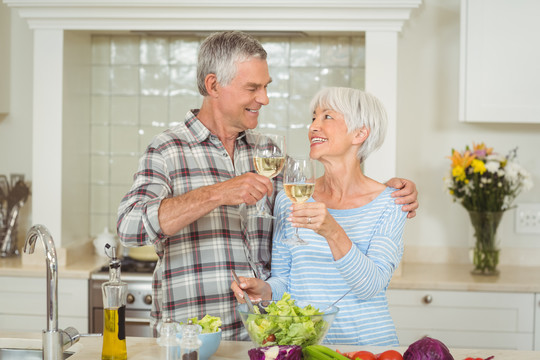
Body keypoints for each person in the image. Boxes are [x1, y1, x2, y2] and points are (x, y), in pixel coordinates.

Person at [117, 31, 418, 341]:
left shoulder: (270, 155)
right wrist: (218, 193)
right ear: (213, 85)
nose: (264, 98)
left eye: (265, 87)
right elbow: (129, 227)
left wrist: (393, 191)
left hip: (263, 336)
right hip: (193, 334)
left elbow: (336, 184)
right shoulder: (168, 149)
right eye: (253, 88)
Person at [232, 87, 407, 346]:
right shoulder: (289, 199)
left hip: (369, 348)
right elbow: (286, 281)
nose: (313, 126)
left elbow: (371, 286)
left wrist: (332, 231)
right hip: (307, 346)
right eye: (313, 118)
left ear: (360, 133)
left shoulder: (392, 202)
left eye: (327, 117)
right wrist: (265, 290)